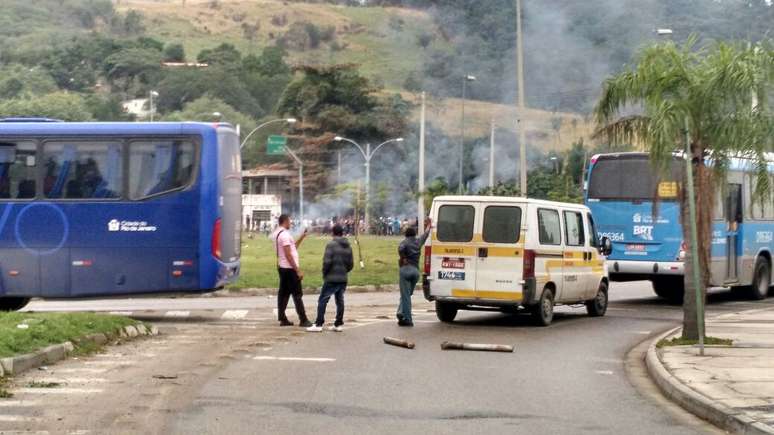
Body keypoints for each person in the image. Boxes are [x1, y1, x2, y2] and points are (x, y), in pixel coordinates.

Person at [307, 224, 353, 332]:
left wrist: (325, 273)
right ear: (342, 233)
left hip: (331, 278)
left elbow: (327, 262)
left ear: (333, 232)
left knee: (323, 300)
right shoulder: (348, 246)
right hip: (343, 278)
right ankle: (338, 324)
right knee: (340, 300)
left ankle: (318, 324)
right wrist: (344, 271)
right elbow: (351, 264)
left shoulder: (331, 245)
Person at [273, 214, 312, 327]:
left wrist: (302, 237)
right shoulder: (284, 235)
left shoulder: (280, 233)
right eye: (289, 221)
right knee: (297, 294)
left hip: (283, 267)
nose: (291, 223)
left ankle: (282, 318)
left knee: (284, 294)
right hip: (289, 269)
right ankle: (303, 319)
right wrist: (297, 270)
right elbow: (288, 254)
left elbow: (293, 247)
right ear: (285, 221)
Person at [397, 218, 432, 326]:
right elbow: (426, 234)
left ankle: (407, 319)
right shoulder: (418, 242)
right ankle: (400, 313)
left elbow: (401, 249)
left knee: (405, 295)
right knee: (407, 294)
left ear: (406, 235)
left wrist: (403, 258)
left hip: (406, 270)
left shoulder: (403, 243)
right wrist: (429, 225)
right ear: (414, 235)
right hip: (415, 272)